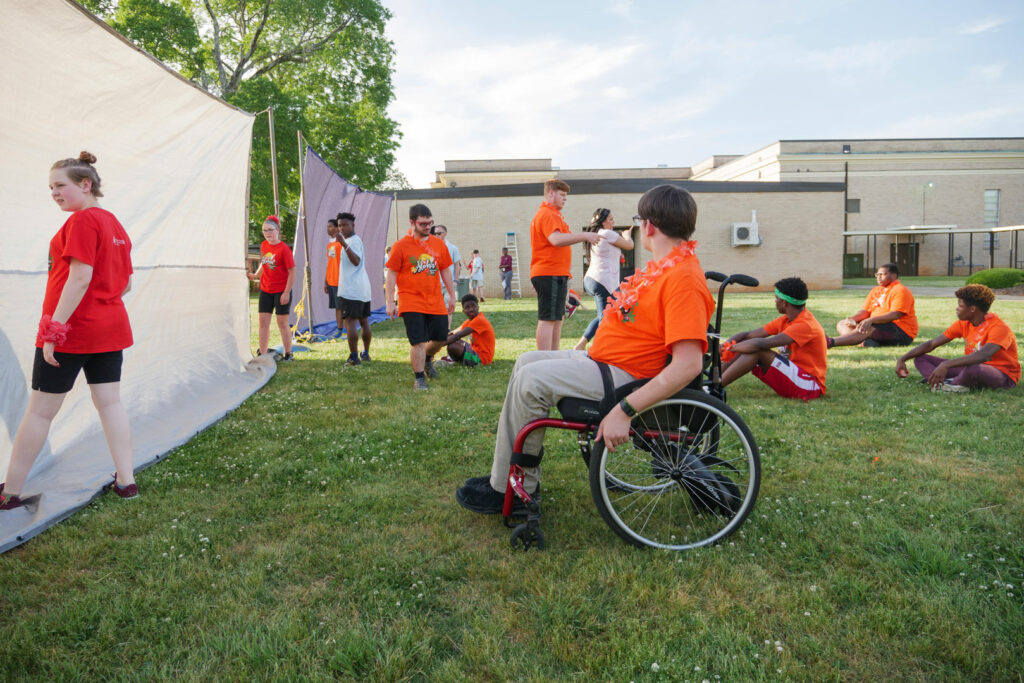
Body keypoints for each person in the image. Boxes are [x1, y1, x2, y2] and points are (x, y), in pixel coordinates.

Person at [456, 184, 714, 514]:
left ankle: (519, 489)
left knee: (531, 381)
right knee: (525, 362)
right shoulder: (664, 269)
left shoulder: (683, 279)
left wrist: (624, 410)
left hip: (627, 378)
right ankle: (505, 478)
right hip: (607, 361)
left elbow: (688, 365)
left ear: (649, 225)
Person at [2, 152, 138, 510]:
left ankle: (8, 492)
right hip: (109, 330)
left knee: (40, 412)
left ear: (85, 184)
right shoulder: (114, 224)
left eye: (60, 185)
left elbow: (80, 277)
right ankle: (127, 482)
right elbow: (124, 283)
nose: (54, 193)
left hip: (73, 334)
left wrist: (53, 330)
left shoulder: (81, 222)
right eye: (51, 187)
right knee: (110, 405)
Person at [896, 284, 1020, 392]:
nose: (957, 308)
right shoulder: (963, 323)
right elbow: (931, 344)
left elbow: (984, 355)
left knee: (973, 368)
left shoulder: (999, 327)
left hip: (1002, 375)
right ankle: (945, 383)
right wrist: (903, 358)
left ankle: (951, 385)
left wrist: (947, 364)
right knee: (920, 358)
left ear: (972, 309)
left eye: (960, 306)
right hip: (970, 369)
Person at [720, 277, 827, 401]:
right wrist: (726, 345)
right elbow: (748, 335)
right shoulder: (786, 320)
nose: (775, 301)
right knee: (747, 345)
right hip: (795, 377)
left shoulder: (806, 324)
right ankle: (713, 382)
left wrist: (731, 348)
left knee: (755, 350)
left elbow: (762, 345)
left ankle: (715, 387)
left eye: (776, 298)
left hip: (810, 386)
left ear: (784, 302)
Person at [385, 204, 455, 390]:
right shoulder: (401, 246)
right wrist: (390, 301)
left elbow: (446, 270)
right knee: (418, 341)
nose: (427, 227)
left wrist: (452, 296)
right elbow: (391, 274)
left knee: (441, 337)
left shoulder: (438, 244)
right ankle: (419, 379)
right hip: (410, 300)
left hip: (435, 300)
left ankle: (427, 360)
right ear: (412, 222)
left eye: (430, 223)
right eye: (423, 223)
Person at [529, 179, 601, 351]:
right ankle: (545, 358)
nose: (565, 198)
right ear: (551, 193)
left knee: (557, 318)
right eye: (562, 194)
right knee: (548, 318)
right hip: (548, 272)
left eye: (566, 195)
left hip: (555, 272)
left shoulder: (553, 214)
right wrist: (585, 235)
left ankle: (553, 356)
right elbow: (556, 239)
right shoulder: (547, 214)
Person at [573, 208, 634, 351]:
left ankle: (581, 344)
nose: (613, 222)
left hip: (592, 280)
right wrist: (628, 235)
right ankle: (601, 350)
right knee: (606, 317)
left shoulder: (597, 235)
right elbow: (630, 246)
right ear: (603, 222)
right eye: (611, 219)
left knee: (604, 314)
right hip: (602, 281)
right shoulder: (607, 233)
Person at [829, 263, 917, 348]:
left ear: (894, 275)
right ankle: (862, 342)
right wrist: (853, 319)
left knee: (868, 328)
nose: (879, 277)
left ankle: (830, 342)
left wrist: (870, 320)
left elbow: (895, 314)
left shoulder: (900, 290)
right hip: (877, 325)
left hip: (901, 332)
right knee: (842, 324)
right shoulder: (876, 290)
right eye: (877, 274)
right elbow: (866, 311)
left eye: (882, 274)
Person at [248, 215, 296, 361]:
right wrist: (255, 275)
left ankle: (288, 353)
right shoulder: (264, 245)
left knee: (282, 323)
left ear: (277, 230)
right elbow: (264, 262)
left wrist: (286, 292)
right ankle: (262, 353)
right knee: (263, 322)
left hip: (281, 290)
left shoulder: (284, 249)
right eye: (264, 231)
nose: (267, 233)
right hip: (266, 290)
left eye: (270, 230)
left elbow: (292, 272)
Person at [335, 212, 373, 365]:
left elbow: (356, 261)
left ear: (353, 225)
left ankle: (354, 357)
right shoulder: (353, 240)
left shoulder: (352, 241)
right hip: (362, 288)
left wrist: (344, 244)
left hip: (352, 289)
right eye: (339, 225)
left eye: (345, 225)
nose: (341, 228)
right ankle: (366, 353)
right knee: (364, 321)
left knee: (350, 322)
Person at [427, 294, 495, 367]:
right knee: (453, 340)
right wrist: (434, 344)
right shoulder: (471, 320)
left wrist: (432, 350)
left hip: (482, 359)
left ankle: (452, 360)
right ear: (463, 311)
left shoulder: (479, 320)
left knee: (452, 346)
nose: (471, 309)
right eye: (467, 307)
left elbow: (457, 336)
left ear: (478, 307)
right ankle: (451, 359)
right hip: (475, 351)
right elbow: (453, 333)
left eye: (473, 306)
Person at [432, 224, 461, 327]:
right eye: (434, 233)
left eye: (439, 233)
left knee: (448, 307)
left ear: (445, 234)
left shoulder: (453, 248)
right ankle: (437, 329)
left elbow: (457, 265)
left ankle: (447, 330)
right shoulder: (431, 247)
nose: (436, 235)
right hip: (435, 284)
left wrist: (455, 280)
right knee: (436, 308)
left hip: (449, 283)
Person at [324, 218, 343, 336]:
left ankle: (345, 330)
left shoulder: (342, 243)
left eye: (330, 226)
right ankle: (339, 330)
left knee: (342, 307)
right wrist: (325, 281)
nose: (328, 229)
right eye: (327, 226)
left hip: (340, 281)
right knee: (337, 307)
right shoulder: (330, 245)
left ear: (337, 228)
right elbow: (329, 263)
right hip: (331, 281)